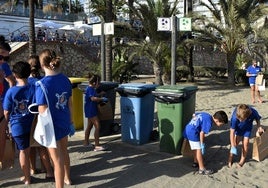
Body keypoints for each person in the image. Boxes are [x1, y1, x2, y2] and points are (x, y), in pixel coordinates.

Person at [36, 49, 73, 187]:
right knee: (64, 152)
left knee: (56, 160)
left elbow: (42, 110)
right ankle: (68, 178)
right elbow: (70, 103)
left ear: (42, 65)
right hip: (64, 122)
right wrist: (71, 121)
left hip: (51, 127)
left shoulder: (41, 85)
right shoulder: (66, 80)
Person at [3, 61, 35, 184]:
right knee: (29, 150)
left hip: (17, 127)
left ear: (15, 75)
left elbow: (6, 112)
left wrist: (6, 128)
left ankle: (27, 178)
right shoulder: (33, 88)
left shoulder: (11, 92)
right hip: (32, 125)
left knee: (23, 152)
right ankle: (32, 172)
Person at [28, 55, 54, 179]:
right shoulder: (43, 80)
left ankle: (33, 169)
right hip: (41, 115)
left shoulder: (25, 81)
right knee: (42, 145)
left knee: (31, 146)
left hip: (28, 117)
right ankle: (47, 169)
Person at [183, 111, 228, 175]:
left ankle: (195, 162)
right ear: (217, 120)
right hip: (193, 133)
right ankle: (202, 169)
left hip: (188, 128)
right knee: (199, 150)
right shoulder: (209, 123)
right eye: (222, 123)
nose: (221, 125)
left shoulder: (206, 115)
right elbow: (202, 133)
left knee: (196, 148)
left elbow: (194, 114)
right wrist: (202, 144)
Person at [228, 104, 263, 168]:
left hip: (247, 129)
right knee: (235, 143)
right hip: (238, 129)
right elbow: (232, 132)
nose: (240, 120)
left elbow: (257, 119)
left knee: (245, 144)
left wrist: (259, 126)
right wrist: (232, 145)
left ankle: (242, 160)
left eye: (242, 119)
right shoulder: (234, 117)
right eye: (239, 119)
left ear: (248, 116)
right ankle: (230, 159)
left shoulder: (253, 112)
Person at [0, 36, 16, 168]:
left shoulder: (3, 66)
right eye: (3, 57)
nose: (4, 61)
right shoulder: (3, 66)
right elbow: (11, 81)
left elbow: (11, 82)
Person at [84, 73, 107, 151]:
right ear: (94, 83)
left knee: (89, 126)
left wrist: (99, 94)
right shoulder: (90, 89)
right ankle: (97, 145)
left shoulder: (91, 89)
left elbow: (94, 95)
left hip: (89, 110)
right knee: (97, 126)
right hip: (91, 111)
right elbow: (93, 98)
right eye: (98, 82)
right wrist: (101, 99)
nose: (99, 84)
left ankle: (86, 143)